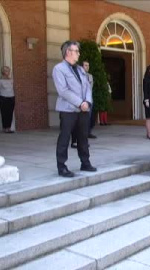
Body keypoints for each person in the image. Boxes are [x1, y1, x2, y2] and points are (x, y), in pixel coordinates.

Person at [53, 40, 96, 177]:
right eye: (76, 51)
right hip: (68, 110)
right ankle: (62, 167)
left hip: (83, 110)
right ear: (68, 52)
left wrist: (88, 102)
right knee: (64, 138)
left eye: (78, 51)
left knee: (83, 137)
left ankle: (85, 162)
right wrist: (80, 103)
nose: (78, 53)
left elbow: (87, 87)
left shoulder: (80, 69)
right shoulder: (59, 69)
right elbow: (63, 91)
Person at [71, 61, 95, 148]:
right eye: (85, 65)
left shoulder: (89, 76)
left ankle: (83, 140)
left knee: (85, 122)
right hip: (77, 101)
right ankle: (74, 141)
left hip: (87, 101)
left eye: (88, 65)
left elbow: (89, 88)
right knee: (76, 122)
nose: (87, 67)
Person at [0, 66, 15, 133]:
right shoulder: (0, 80)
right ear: (3, 72)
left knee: (10, 113)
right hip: (3, 97)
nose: (8, 72)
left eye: (8, 70)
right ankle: (5, 128)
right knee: (4, 113)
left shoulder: (11, 80)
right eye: (6, 71)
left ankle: (9, 127)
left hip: (11, 97)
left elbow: (12, 88)